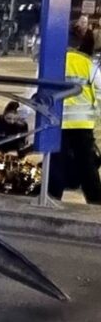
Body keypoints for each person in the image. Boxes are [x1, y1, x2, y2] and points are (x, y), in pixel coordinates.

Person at [49, 29, 101, 204]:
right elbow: (100, 90)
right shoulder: (87, 64)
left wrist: (24, 114)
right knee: (87, 164)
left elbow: (37, 89)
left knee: (57, 161)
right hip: (82, 122)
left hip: (57, 121)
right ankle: (95, 200)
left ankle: (52, 197)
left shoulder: (53, 62)